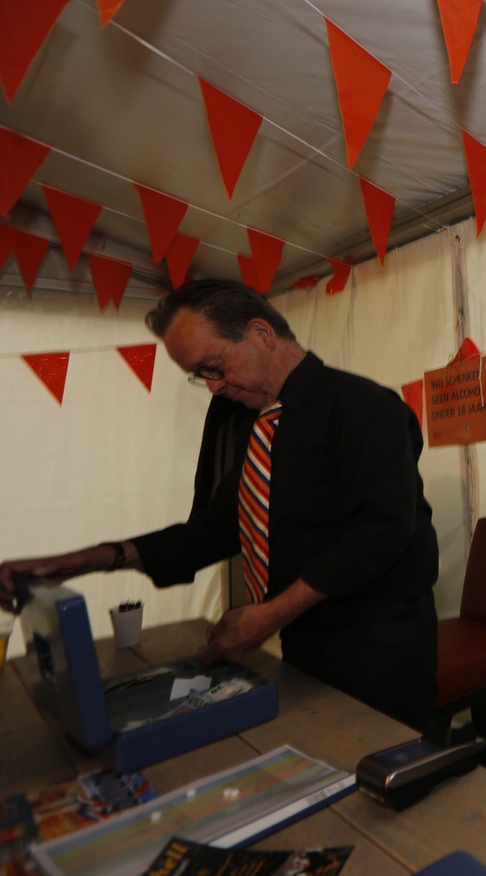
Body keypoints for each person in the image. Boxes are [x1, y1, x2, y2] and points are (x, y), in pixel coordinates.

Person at [0, 280, 439, 731]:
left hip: (381, 651)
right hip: (304, 644)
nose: (212, 387)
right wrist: (88, 560)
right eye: (200, 375)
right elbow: (215, 530)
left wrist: (267, 616)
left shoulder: (363, 406)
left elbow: (382, 529)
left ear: (261, 334)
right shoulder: (260, 426)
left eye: (214, 366)